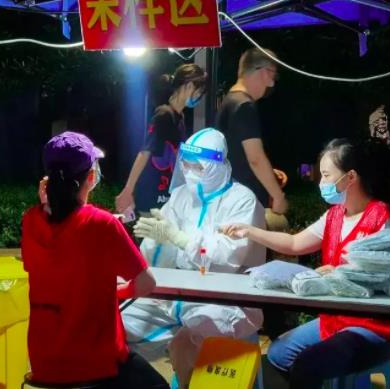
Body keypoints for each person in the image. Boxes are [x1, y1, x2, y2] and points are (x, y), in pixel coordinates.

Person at [222, 138, 390, 389]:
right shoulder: (335, 216)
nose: (321, 183)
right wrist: (250, 231)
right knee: (278, 354)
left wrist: (341, 274)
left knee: (308, 365)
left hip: (375, 327)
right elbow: (294, 243)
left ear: (350, 177)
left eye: (326, 175)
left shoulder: (382, 219)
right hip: (336, 319)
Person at [121, 128, 266, 387]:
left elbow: (226, 258)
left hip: (225, 302)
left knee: (186, 343)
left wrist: (181, 239)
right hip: (175, 298)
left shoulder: (242, 200)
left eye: (197, 166)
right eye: (185, 165)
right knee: (116, 326)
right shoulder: (181, 196)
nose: (189, 172)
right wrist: (156, 241)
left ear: (217, 164)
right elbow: (156, 259)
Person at [21, 132, 167, 388]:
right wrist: (118, 291)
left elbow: (55, 269)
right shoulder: (102, 224)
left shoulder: (31, 222)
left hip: (44, 363)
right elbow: (146, 283)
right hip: (96, 364)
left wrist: (45, 204)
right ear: (90, 177)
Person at [116, 63, 207, 217]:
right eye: (199, 92)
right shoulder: (164, 114)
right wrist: (128, 190)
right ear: (190, 85)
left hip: (165, 198)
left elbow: (181, 154)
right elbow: (145, 152)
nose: (199, 97)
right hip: (152, 198)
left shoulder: (179, 118)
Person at [216, 47, 287, 215]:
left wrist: (268, 173)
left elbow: (235, 154)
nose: (272, 83)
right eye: (273, 75)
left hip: (228, 197)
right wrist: (278, 196)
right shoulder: (245, 106)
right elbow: (255, 159)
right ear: (264, 72)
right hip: (243, 202)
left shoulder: (229, 101)